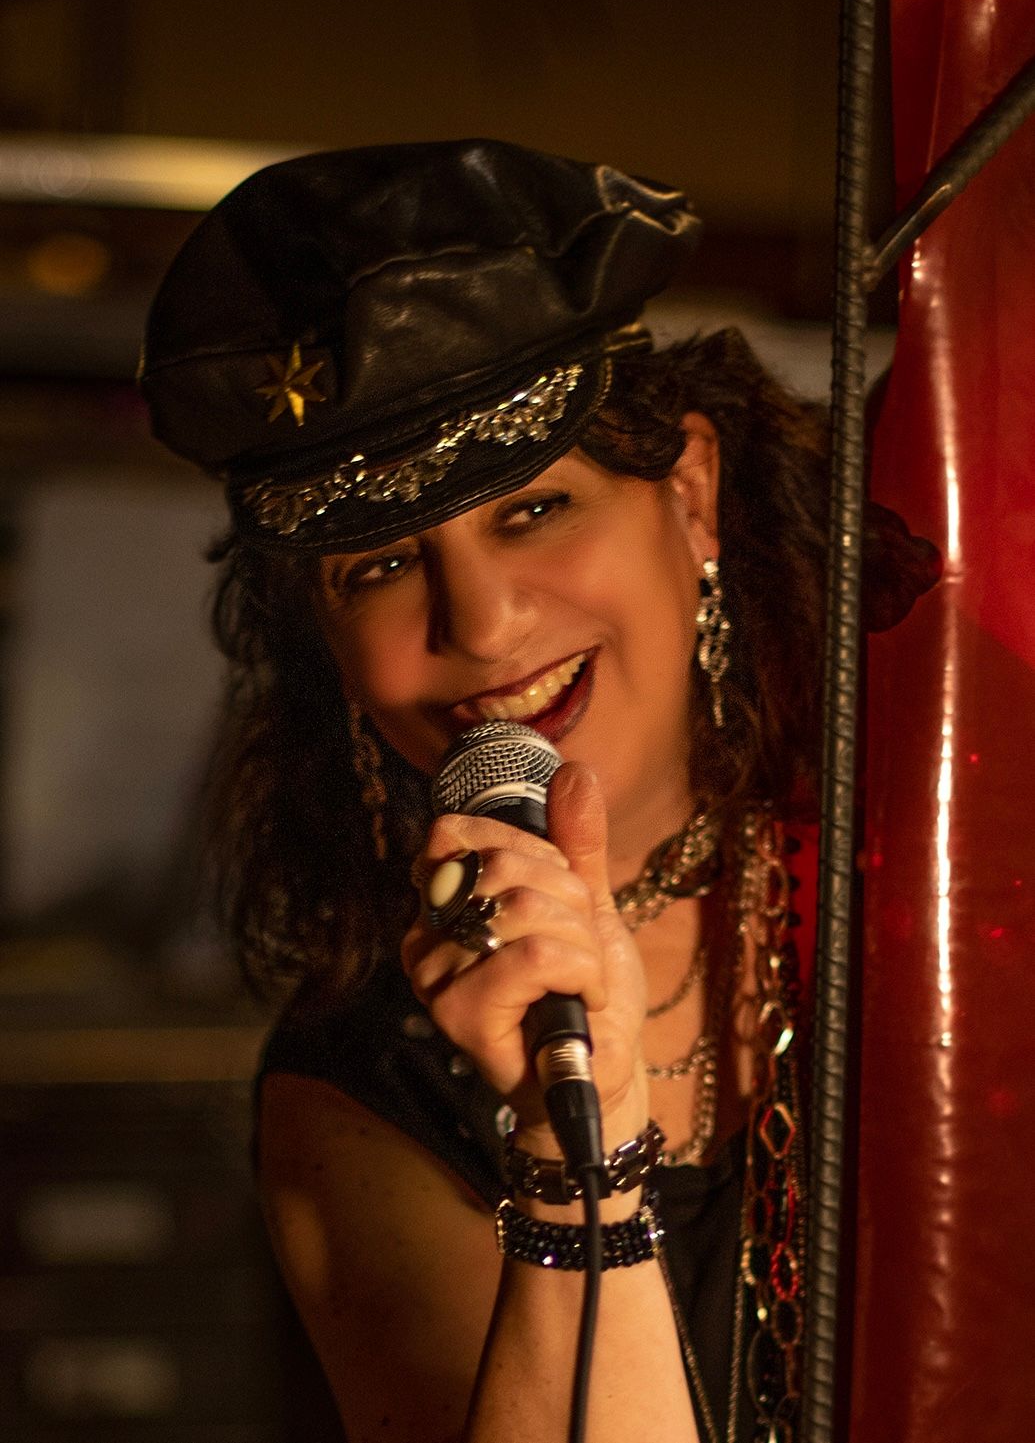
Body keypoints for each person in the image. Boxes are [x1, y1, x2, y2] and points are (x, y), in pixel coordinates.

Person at [139, 140, 938, 1443]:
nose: (482, 622)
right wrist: (579, 1163)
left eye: (533, 510)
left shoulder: (942, 861)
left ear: (689, 493)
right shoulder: (361, 1095)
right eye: (380, 565)